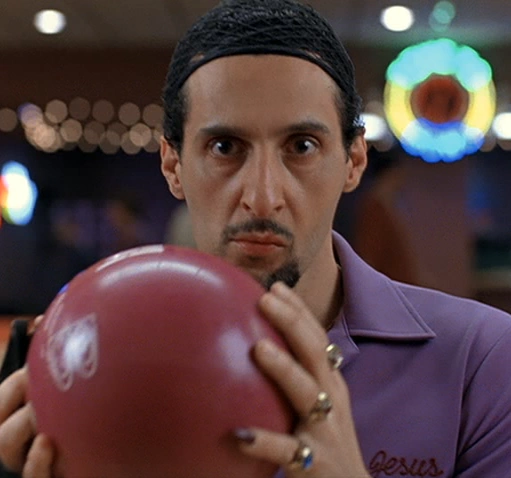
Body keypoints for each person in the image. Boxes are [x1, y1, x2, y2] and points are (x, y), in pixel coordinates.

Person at [1, 0, 511, 477]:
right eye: (225, 146)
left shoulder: (484, 359)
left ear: (353, 160)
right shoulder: (71, 364)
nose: (263, 197)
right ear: (173, 164)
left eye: (302, 146)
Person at [351, 154, 420, 285]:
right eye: (397, 176)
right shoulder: (375, 209)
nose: (400, 182)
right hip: (387, 286)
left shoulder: (388, 206)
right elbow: (369, 254)